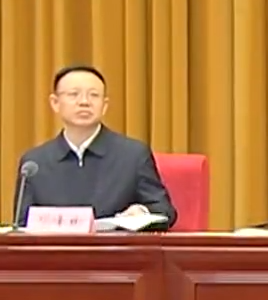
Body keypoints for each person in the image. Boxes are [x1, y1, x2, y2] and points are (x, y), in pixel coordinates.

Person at [15, 65, 174, 226]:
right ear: (55, 103)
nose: (84, 102)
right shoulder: (34, 163)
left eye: (94, 95)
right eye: (74, 94)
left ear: (104, 105)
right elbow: (21, 226)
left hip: (113, 242)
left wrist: (142, 211)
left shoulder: (133, 156)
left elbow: (164, 211)